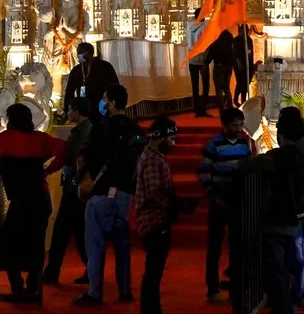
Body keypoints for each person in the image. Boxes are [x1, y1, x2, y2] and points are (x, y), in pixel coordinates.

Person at [0, 103, 67, 304]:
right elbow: (64, 149)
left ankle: (18, 288)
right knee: (36, 245)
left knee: (11, 246)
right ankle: (34, 288)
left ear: (10, 120)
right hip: (41, 199)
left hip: (20, 201)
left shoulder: (6, 139)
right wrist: (48, 169)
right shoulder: (41, 139)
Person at [74, 84, 144, 306]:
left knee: (95, 245)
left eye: (105, 99)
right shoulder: (136, 130)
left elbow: (89, 156)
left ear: (111, 103)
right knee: (122, 245)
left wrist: (83, 179)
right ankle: (125, 290)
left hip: (102, 191)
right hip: (125, 192)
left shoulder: (102, 128)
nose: (102, 103)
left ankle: (95, 292)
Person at [239, 109, 304, 314]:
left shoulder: (280, 156)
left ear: (281, 133)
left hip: (278, 220)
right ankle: (291, 300)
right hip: (294, 217)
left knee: (276, 271)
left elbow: (249, 164)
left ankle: (283, 308)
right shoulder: (302, 152)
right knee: (289, 265)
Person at [198, 106, 256, 303]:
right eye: (234, 125)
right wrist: (213, 194)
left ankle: (236, 286)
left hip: (238, 200)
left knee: (237, 245)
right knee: (214, 247)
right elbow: (203, 171)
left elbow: (249, 166)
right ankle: (212, 289)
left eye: (240, 125)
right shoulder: (214, 144)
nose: (238, 129)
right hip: (218, 200)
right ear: (225, 125)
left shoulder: (243, 142)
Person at [134, 116, 192, 314]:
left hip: (157, 221)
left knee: (154, 271)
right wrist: (177, 204)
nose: (174, 142)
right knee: (153, 272)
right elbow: (153, 193)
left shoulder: (154, 156)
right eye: (172, 138)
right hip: (153, 222)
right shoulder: (151, 159)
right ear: (161, 137)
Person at [43, 98, 93, 287]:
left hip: (74, 188)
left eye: (70, 109)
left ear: (77, 111)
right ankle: (91, 269)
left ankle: (52, 272)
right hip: (79, 188)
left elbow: (65, 157)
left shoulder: (80, 132)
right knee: (79, 233)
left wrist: (47, 170)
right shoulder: (88, 129)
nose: (68, 113)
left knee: (62, 232)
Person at [278, 107, 304, 312]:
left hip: (296, 205)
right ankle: (300, 293)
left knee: (296, 253)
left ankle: (297, 295)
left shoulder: (295, 149)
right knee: (300, 248)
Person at [64, 43, 119, 119]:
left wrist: (113, 107)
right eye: (78, 52)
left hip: (102, 109)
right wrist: (68, 110)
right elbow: (69, 92)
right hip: (83, 112)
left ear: (89, 53)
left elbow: (115, 87)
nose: (78, 54)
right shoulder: (76, 70)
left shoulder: (105, 66)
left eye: (81, 51)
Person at [208, 30, 235, 111]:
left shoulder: (216, 35)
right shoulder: (229, 35)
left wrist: (206, 62)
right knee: (227, 88)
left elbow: (212, 51)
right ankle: (230, 107)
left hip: (219, 65)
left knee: (219, 88)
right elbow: (232, 50)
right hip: (228, 65)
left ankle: (222, 109)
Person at [232, 28, 251, 107]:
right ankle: (236, 100)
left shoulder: (249, 40)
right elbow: (234, 53)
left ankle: (244, 102)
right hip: (239, 65)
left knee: (245, 85)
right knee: (240, 82)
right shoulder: (236, 40)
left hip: (248, 64)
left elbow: (251, 53)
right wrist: (237, 62)